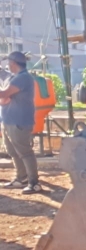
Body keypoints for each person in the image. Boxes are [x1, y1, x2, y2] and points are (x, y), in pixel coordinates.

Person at [0, 51, 41, 194]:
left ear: (12, 63)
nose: (6, 65)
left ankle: (34, 182)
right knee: (13, 151)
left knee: (25, 152)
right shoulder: (16, 77)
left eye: (8, 63)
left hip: (19, 121)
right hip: (10, 120)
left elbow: (3, 94)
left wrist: (4, 97)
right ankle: (21, 177)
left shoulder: (22, 78)